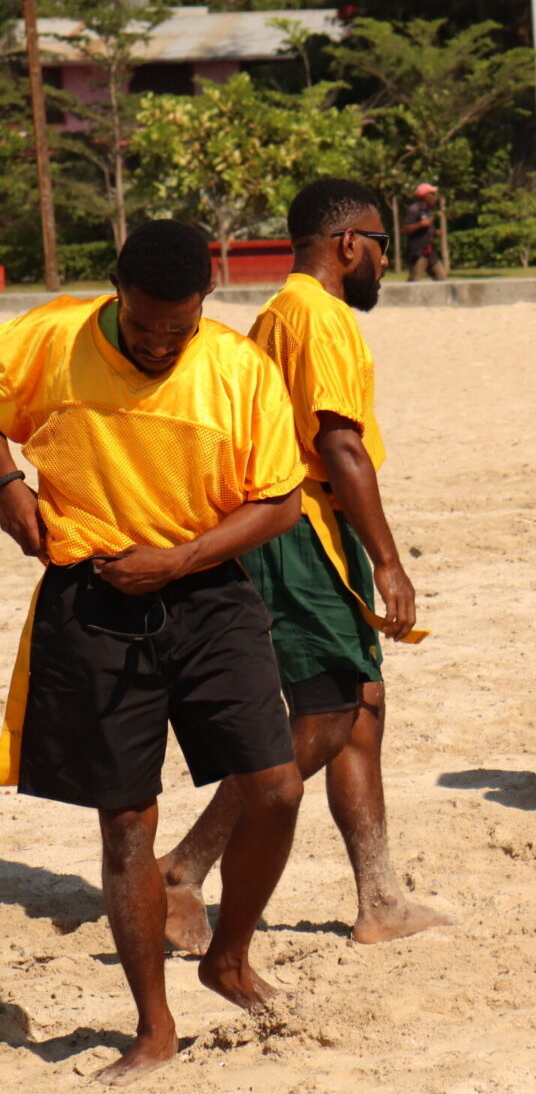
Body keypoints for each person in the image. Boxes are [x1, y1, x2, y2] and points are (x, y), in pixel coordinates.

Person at [0, 220, 306, 1084]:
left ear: (205, 301)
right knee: (128, 821)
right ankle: (153, 1026)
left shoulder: (238, 368)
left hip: (208, 597)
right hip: (90, 603)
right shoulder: (50, 340)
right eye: (145, 328)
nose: (163, 344)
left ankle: (229, 957)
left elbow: (278, 502)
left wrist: (180, 559)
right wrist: (7, 487)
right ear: (117, 294)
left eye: (181, 327)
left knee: (276, 789)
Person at [160, 178, 449, 950]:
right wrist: (389, 561)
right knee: (324, 716)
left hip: (306, 528)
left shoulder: (282, 310)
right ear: (349, 243)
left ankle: (379, 899)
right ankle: (183, 870)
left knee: (363, 703)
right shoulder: (318, 317)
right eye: (381, 242)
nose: (386, 258)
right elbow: (338, 444)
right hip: (298, 534)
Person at [402, 182, 448, 281]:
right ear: (425, 196)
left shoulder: (428, 211)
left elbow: (426, 229)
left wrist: (435, 233)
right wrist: (420, 225)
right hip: (419, 252)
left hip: (430, 251)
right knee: (415, 281)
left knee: (442, 279)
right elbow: (405, 229)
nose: (434, 197)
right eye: (432, 194)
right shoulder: (413, 210)